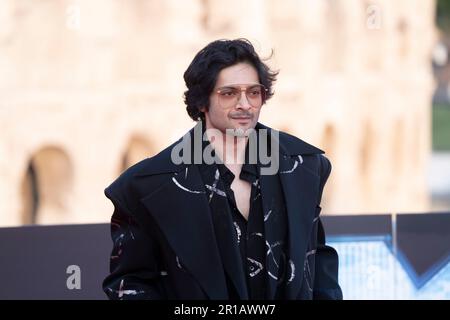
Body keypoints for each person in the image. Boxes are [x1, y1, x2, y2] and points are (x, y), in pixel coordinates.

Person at [102, 38, 343, 300]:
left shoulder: (304, 166)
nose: (245, 104)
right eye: (229, 93)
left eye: (253, 92)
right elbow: (129, 285)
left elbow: (316, 257)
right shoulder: (145, 186)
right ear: (202, 102)